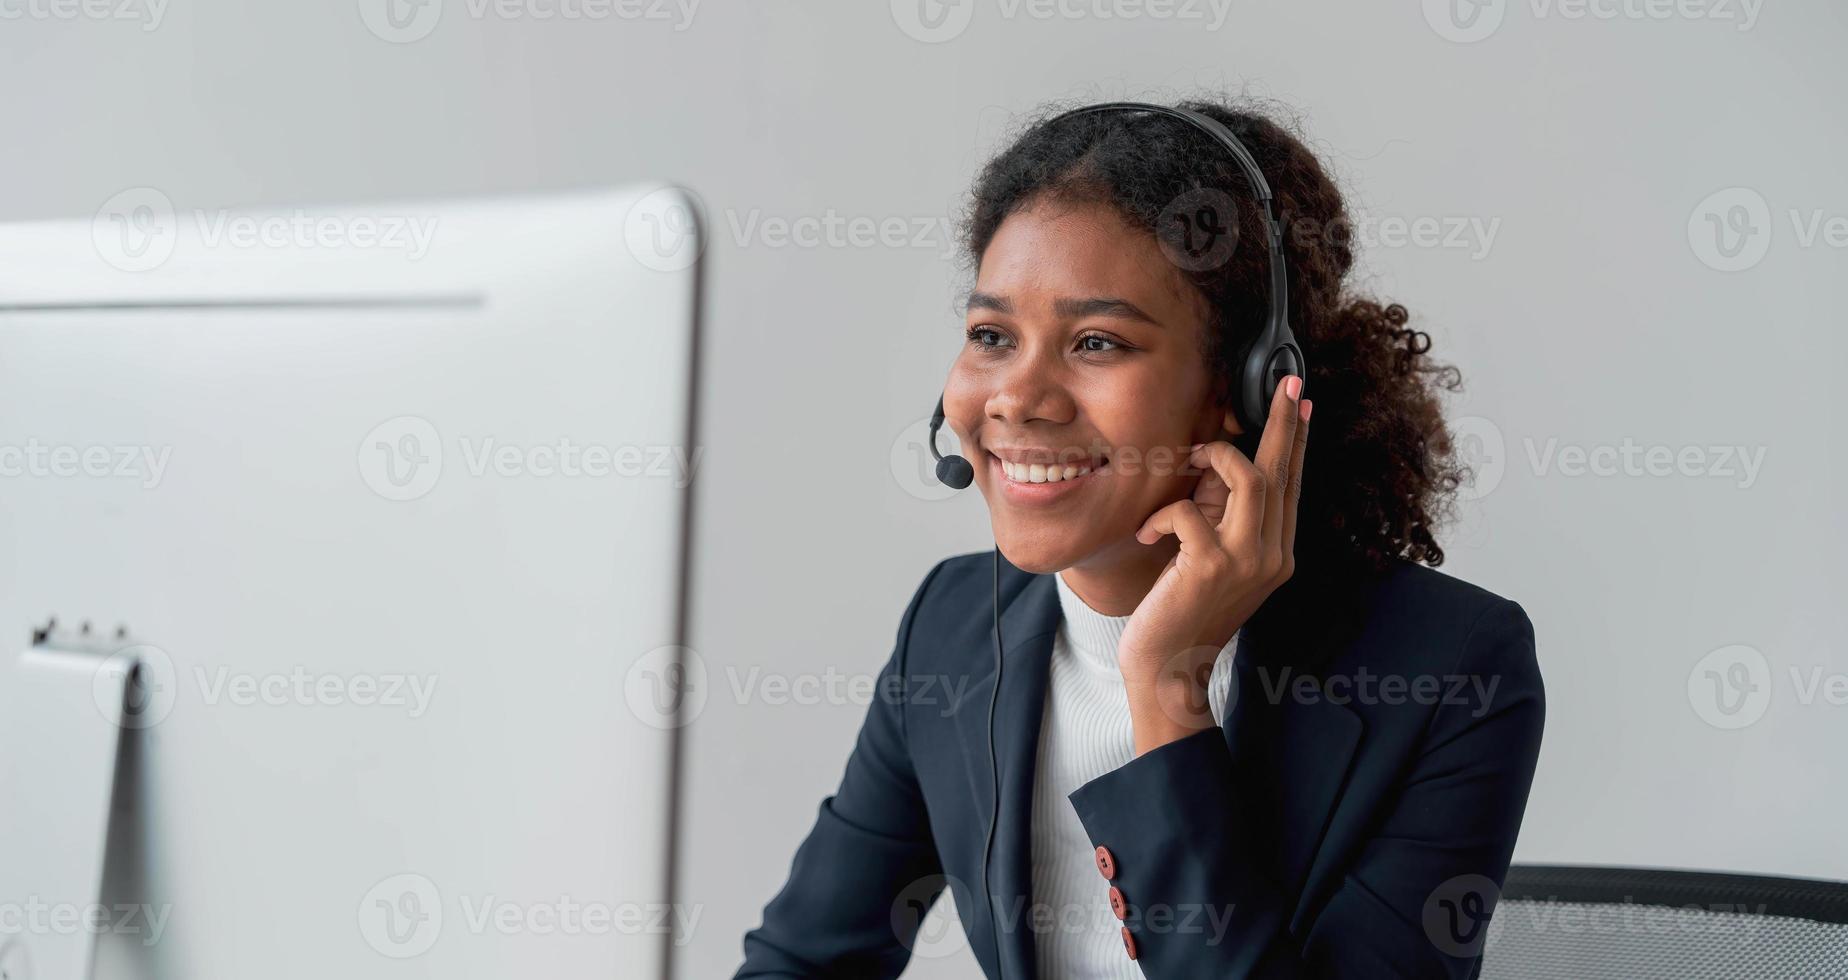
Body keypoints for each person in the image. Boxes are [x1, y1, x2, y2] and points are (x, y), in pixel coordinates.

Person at [735, 96, 1545, 979]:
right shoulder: (955, 626)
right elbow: (801, 964)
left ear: (1248, 385)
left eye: (1095, 341)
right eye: (991, 335)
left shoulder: (1448, 672)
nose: (1017, 398)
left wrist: (1168, 690)